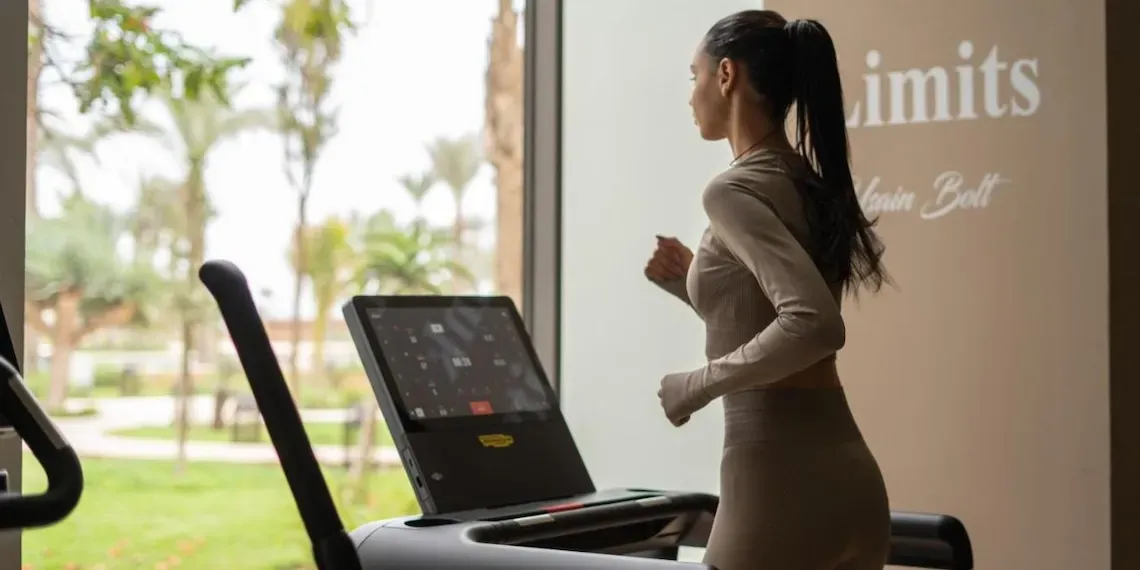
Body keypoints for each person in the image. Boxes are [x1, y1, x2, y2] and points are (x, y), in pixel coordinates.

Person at [644, 10, 892, 570]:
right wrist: (689, 283)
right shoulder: (805, 180)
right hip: (851, 482)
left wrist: (695, 386)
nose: (691, 96)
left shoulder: (730, 191)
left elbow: (814, 323)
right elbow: (769, 305)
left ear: (725, 75)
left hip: (776, 484)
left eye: (695, 76)